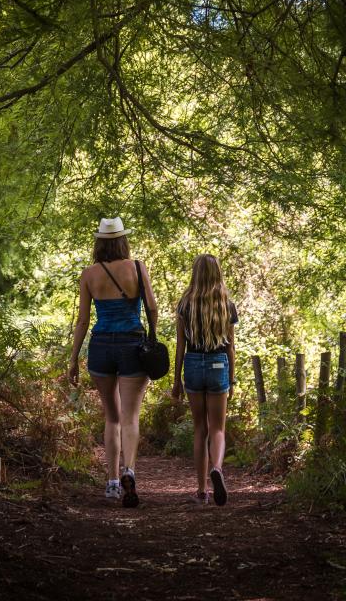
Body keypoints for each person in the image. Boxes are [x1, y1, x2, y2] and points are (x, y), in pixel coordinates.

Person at [68, 216, 158, 507]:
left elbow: (83, 321)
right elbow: (152, 307)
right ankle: (129, 469)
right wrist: (152, 336)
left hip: (101, 346)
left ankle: (111, 481)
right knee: (131, 416)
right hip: (133, 343)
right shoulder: (137, 267)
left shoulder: (89, 274)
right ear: (123, 241)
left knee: (112, 417)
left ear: (99, 243)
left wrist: (72, 359)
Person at [172, 253, 238, 506]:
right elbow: (231, 347)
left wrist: (176, 381)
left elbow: (180, 346)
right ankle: (218, 469)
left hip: (192, 364)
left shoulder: (185, 304)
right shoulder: (226, 304)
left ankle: (201, 491)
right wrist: (231, 379)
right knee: (218, 428)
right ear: (217, 273)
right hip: (219, 362)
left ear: (195, 274)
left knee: (200, 429)